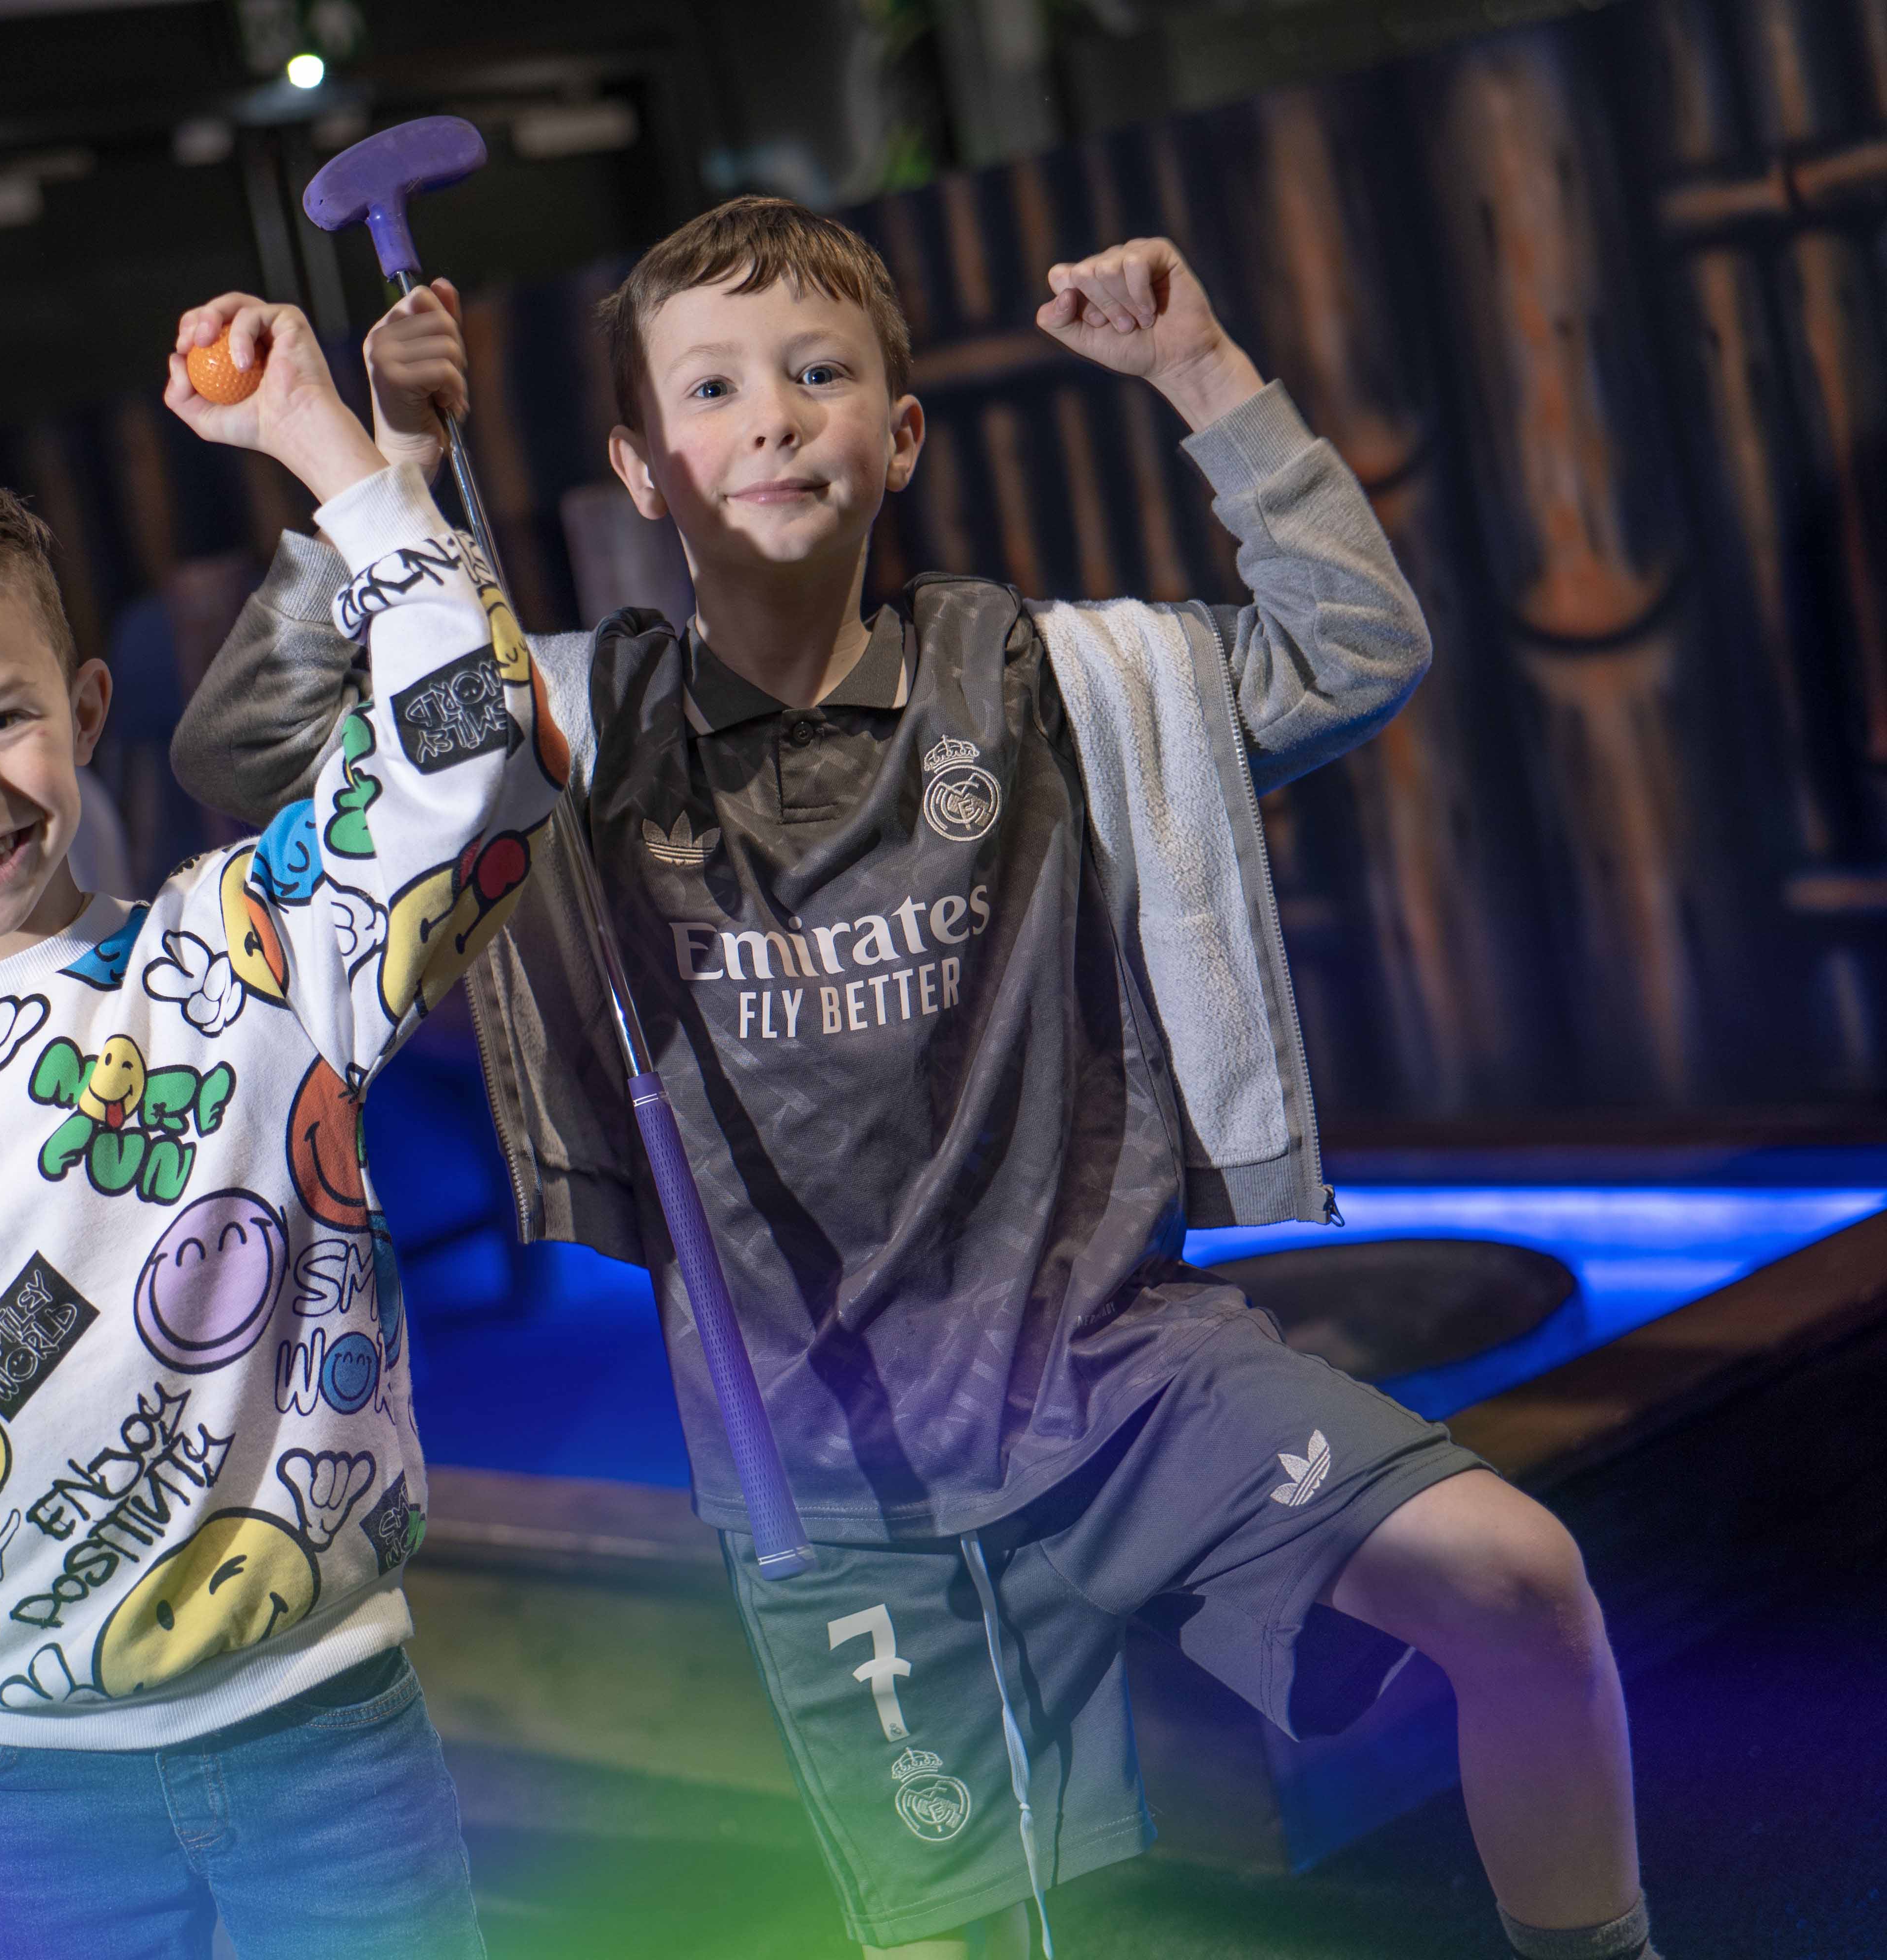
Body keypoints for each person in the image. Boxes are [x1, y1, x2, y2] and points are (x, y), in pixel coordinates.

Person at [171, 199, 1657, 1960]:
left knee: (1520, 1578)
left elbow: (1356, 648)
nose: (778, 416)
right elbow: (248, 756)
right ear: (643, 471)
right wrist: (391, 469)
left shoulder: (1032, 684)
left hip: (1120, 1373)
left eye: (820, 374)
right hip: (832, 1474)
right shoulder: (559, 730)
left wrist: (1200, 369)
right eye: (713, 391)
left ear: (900, 434)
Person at [0, 286, 559, 1959]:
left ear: (88, 710)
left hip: (329, 1742)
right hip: (30, 1798)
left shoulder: (247, 955)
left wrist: (336, 450)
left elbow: (481, 759)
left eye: (2, 716)